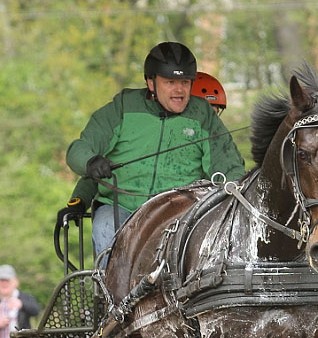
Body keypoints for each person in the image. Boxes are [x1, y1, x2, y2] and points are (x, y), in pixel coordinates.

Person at [58, 41, 245, 260]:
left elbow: (230, 166)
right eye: (170, 82)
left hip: (180, 212)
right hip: (122, 209)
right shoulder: (123, 108)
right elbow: (79, 149)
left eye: (185, 82)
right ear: (151, 82)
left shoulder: (202, 114)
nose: (180, 90)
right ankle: (108, 292)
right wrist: (90, 162)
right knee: (104, 225)